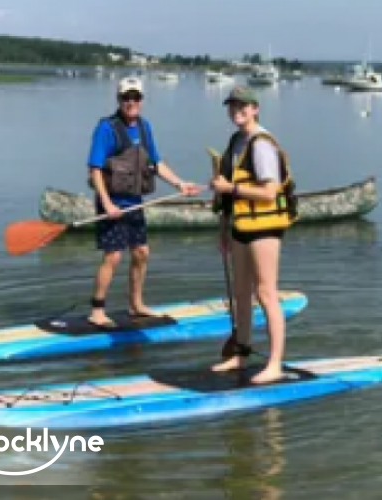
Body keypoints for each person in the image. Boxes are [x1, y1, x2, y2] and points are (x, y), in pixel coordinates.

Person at [87, 76, 200, 327]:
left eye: (136, 97)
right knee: (113, 256)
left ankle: (136, 304)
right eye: (126, 97)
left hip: (134, 201)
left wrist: (180, 184)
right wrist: (107, 204)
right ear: (119, 99)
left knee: (141, 252)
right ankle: (97, 310)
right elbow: (95, 169)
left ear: (142, 100)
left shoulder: (144, 127)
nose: (131, 102)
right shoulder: (106, 128)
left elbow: (156, 163)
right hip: (112, 201)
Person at [209, 86, 297, 384]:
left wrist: (230, 188)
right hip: (241, 226)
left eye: (243, 106)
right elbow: (228, 195)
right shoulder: (236, 141)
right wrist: (224, 229)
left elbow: (269, 192)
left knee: (266, 293)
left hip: (264, 227)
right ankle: (241, 353)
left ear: (255, 108)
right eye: (232, 106)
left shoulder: (261, 144)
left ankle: (275, 364)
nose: (237, 111)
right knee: (241, 293)